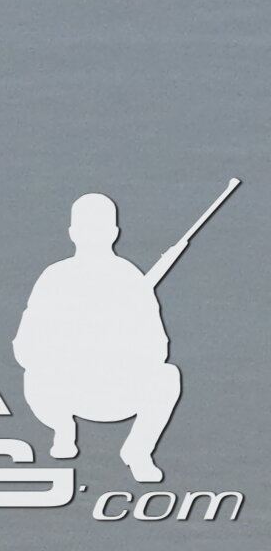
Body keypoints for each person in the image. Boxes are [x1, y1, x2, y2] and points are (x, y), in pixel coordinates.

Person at [17, 191, 186, 485]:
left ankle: (138, 451)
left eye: (98, 228)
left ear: (114, 233)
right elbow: (25, 345)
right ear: (72, 233)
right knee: (33, 376)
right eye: (86, 228)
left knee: (168, 377)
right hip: (65, 391)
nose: (92, 235)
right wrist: (67, 350)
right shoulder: (55, 277)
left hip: (118, 391)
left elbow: (158, 348)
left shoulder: (131, 279)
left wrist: (117, 345)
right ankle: (63, 429)